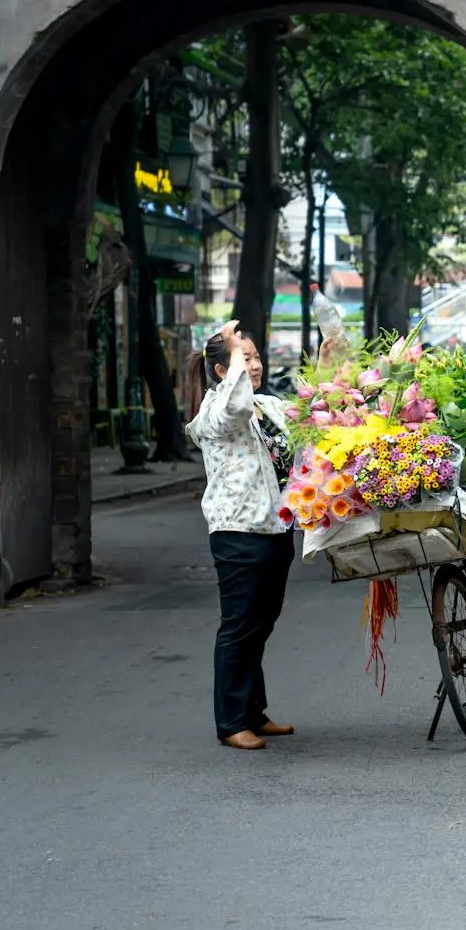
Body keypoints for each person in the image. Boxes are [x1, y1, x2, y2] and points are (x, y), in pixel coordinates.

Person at [184, 321, 297, 751]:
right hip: (238, 533)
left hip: (275, 528)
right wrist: (230, 351)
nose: (255, 364)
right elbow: (235, 408)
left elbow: (310, 425)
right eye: (244, 357)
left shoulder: (267, 405)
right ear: (222, 370)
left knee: (260, 625)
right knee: (239, 626)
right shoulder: (213, 412)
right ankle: (231, 722)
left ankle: (253, 711)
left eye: (255, 356)